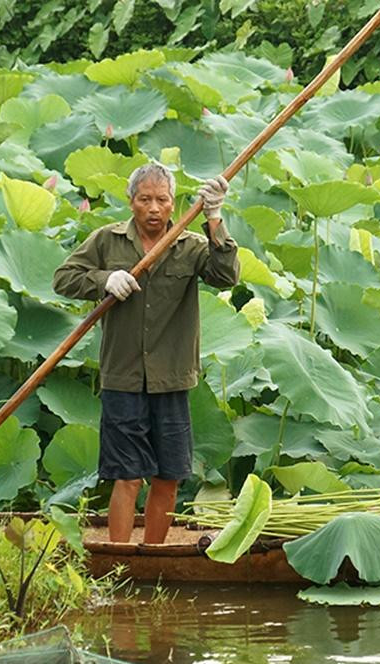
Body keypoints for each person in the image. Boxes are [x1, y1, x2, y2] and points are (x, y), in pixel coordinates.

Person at [52, 162, 239, 544]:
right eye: (145, 199)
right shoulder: (108, 241)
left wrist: (215, 217)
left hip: (171, 376)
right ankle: (119, 558)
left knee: (168, 475)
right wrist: (105, 279)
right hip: (123, 375)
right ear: (131, 201)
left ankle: (153, 556)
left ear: (173, 204)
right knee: (126, 475)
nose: (153, 208)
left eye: (162, 200)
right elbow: (63, 278)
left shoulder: (190, 246)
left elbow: (226, 275)